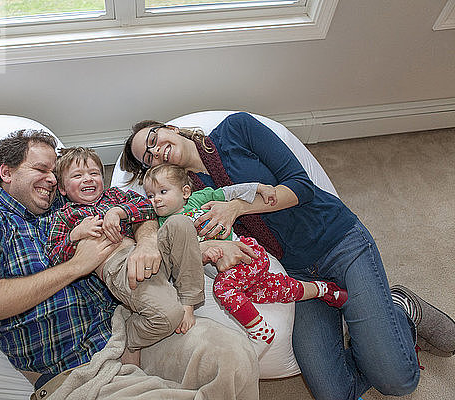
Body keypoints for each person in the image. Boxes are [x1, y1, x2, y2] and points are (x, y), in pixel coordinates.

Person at [120, 112, 455, 400]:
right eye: (147, 158)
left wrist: (235, 207)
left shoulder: (236, 129)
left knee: (397, 380)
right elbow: (146, 219)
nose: (155, 152)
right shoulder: (180, 193)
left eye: (152, 139)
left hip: (337, 240)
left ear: (169, 129)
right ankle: (368, 322)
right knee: (335, 392)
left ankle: (400, 307)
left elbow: (301, 185)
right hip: (294, 275)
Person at [0, 129, 261, 400]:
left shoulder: (68, 199)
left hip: (132, 324)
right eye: (41, 169)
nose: (51, 179)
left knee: (234, 356)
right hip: (75, 368)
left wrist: (147, 243)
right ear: (7, 172)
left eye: (54, 171)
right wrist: (77, 266)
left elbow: (141, 209)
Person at [142, 163, 347, 346]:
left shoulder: (198, 200)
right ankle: (325, 290)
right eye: (150, 196)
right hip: (236, 274)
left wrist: (259, 187)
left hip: (246, 253)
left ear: (185, 191)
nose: (156, 200)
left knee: (223, 290)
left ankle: (259, 330)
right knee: (278, 289)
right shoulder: (163, 229)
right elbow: (177, 262)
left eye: (162, 191)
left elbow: (230, 193)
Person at [46, 147, 204, 365]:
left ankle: (189, 300)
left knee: (181, 223)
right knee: (168, 317)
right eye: (77, 175)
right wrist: (75, 236)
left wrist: (118, 212)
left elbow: (149, 207)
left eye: (94, 173)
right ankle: (129, 338)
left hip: (152, 253)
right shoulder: (64, 216)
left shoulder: (116, 195)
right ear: (63, 189)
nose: (88, 179)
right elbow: (54, 256)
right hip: (120, 268)